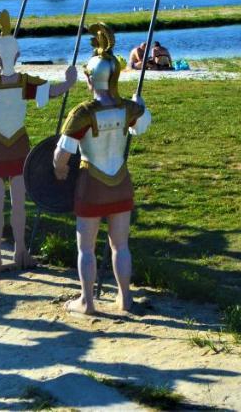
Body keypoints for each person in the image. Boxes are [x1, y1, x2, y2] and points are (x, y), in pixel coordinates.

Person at [54, 23, 150, 314]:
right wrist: (141, 105)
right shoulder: (129, 109)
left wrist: (58, 171)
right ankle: (125, 298)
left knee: (86, 247)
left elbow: (62, 152)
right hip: (120, 181)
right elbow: (141, 128)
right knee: (121, 246)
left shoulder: (83, 113)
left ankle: (87, 302)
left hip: (91, 184)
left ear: (91, 78)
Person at [0, 10, 74, 274]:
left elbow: (49, 91)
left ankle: (20, 251)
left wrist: (68, 83)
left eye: (9, 55)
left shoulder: (25, 82)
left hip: (18, 146)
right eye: (1, 55)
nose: (5, 58)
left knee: (18, 203)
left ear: (16, 56)